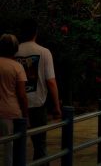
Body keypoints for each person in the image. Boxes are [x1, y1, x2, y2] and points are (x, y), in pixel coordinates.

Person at [15, 20, 61, 162]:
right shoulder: (44, 52)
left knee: (16, 144)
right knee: (40, 145)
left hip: (16, 105)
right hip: (37, 104)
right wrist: (56, 106)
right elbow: (51, 82)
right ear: (36, 32)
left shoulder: (14, 52)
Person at [1, 34, 28, 166]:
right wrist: (25, 115)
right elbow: (22, 95)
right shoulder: (17, 67)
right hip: (10, 113)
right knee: (9, 150)